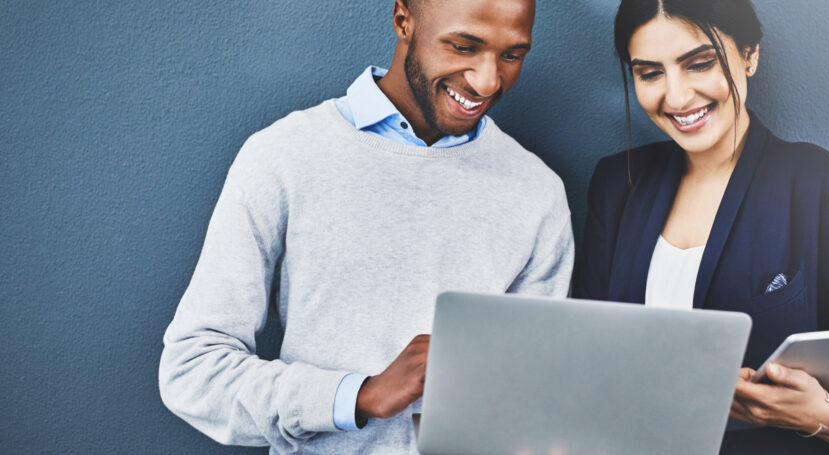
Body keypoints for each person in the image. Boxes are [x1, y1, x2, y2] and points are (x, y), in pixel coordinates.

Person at [158, 0, 573, 453]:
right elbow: (192, 372)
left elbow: (533, 401)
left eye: (512, 55)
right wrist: (359, 395)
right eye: (462, 46)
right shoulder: (283, 156)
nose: (488, 80)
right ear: (403, 20)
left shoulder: (538, 192)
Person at [573, 0, 829, 453]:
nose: (676, 96)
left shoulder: (825, 189)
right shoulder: (616, 183)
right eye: (650, 73)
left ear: (749, 54)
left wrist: (818, 416)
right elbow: (585, 354)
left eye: (699, 64)